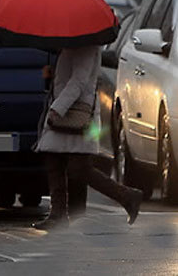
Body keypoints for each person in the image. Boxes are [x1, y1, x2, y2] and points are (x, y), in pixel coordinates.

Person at [33, 45, 143, 230]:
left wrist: (57, 108)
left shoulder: (86, 47)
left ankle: (127, 196)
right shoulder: (70, 46)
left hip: (77, 115)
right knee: (54, 160)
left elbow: (79, 81)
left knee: (79, 169)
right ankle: (58, 214)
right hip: (65, 113)